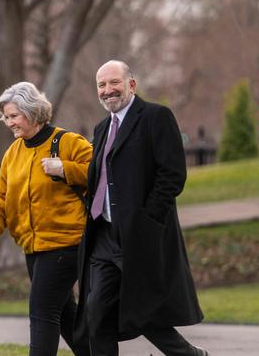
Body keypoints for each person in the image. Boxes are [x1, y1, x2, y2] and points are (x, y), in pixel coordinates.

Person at [75, 60, 207, 355]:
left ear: (131, 85)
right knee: (96, 313)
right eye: (101, 85)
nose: (108, 90)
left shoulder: (155, 117)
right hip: (104, 236)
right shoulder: (101, 128)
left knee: (144, 310)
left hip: (138, 234)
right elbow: (102, 179)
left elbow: (172, 174)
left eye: (114, 83)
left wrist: (148, 219)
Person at [0, 81, 93, 356]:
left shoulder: (68, 142)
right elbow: (0, 198)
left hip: (64, 244)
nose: (9, 122)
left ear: (32, 111)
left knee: (41, 313)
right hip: (33, 248)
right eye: (6, 117)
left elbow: (103, 173)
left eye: (14, 115)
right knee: (63, 316)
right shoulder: (13, 153)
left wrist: (65, 168)